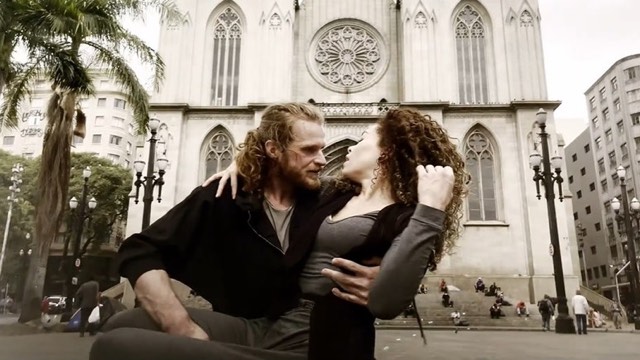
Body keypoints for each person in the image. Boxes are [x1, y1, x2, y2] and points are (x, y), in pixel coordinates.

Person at [91, 103, 382, 360]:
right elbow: (140, 251)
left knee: (115, 345)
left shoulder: (332, 197)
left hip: (309, 336)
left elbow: (393, 226)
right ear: (273, 149)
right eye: (308, 150)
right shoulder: (225, 195)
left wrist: (383, 278)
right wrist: (181, 326)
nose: (321, 160)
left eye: (321, 149)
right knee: (122, 323)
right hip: (248, 329)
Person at [210, 108, 466, 360]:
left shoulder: (405, 218)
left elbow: (386, 302)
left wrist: (431, 208)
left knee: (175, 347)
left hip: (319, 339)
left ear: (386, 152)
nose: (350, 148)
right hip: (274, 318)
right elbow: (284, 170)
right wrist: (244, 164)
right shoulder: (334, 193)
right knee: (171, 320)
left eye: (363, 138)